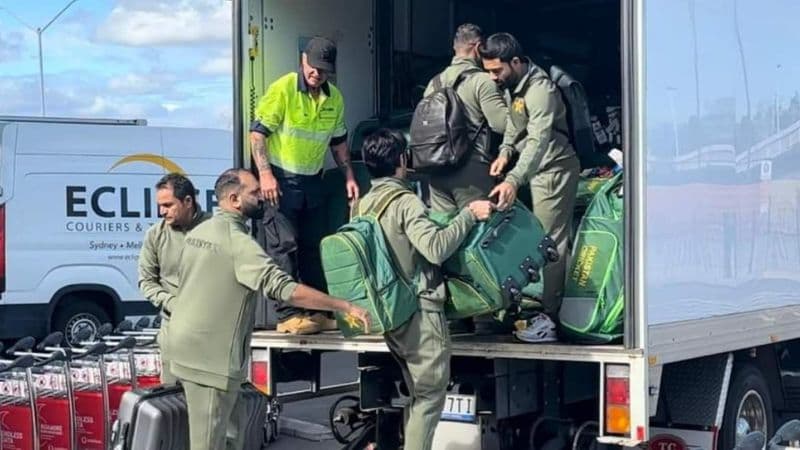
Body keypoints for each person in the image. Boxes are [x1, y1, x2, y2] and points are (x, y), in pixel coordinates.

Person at [167, 168, 369, 450]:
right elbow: (284, 288)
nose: (263, 196)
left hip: (186, 349)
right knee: (209, 444)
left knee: (233, 438)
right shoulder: (236, 242)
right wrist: (342, 305)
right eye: (255, 192)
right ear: (235, 199)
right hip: (209, 361)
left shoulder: (198, 233)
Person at [360, 129, 493, 450]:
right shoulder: (405, 201)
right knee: (431, 396)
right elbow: (434, 248)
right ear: (401, 161)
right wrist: (468, 215)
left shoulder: (364, 204)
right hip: (420, 312)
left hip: (390, 312)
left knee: (418, 395)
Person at [249, 36, 359, 335]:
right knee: (284, 247)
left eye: (323, 70)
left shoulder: (334, 97)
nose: (317, 74)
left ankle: (317, 311)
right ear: (302, 60)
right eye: (313, 67)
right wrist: (265, 174)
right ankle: (288, 315)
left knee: (314, 247)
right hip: (281, 181)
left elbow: (338, 142)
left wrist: (348, 175)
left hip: (313, 181)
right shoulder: (283, 88)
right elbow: (258, 135)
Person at [479, 32, 580, 319]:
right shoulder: (515, 84)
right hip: (530, 168)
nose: (492, 78)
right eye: (488, 72)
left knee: (550, 243)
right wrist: (506, 151)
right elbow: (515, 120)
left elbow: (538, 140)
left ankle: (550, 313)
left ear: (515, 62)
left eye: (496, 70)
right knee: (531, 238)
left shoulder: (540, 91)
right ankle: (535, 300)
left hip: (553, 169)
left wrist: (513, 179)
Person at [423, 23, 508, 213]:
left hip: (436, 172)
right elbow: (502, 125)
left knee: (447, 233)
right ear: (478, 47)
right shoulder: (482, 81)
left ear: (455, 47)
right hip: (471, 172)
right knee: (479, 235)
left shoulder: (433, 84)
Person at [137, 173, 210, 384]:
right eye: (160, 205)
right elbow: (146, 281)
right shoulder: (155, 235)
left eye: (168, 205)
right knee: (171, 398)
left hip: (212, 328)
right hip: (174, 326)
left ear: (188, 201)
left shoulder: (216, 230)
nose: (162, 211)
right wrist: (171, 302)